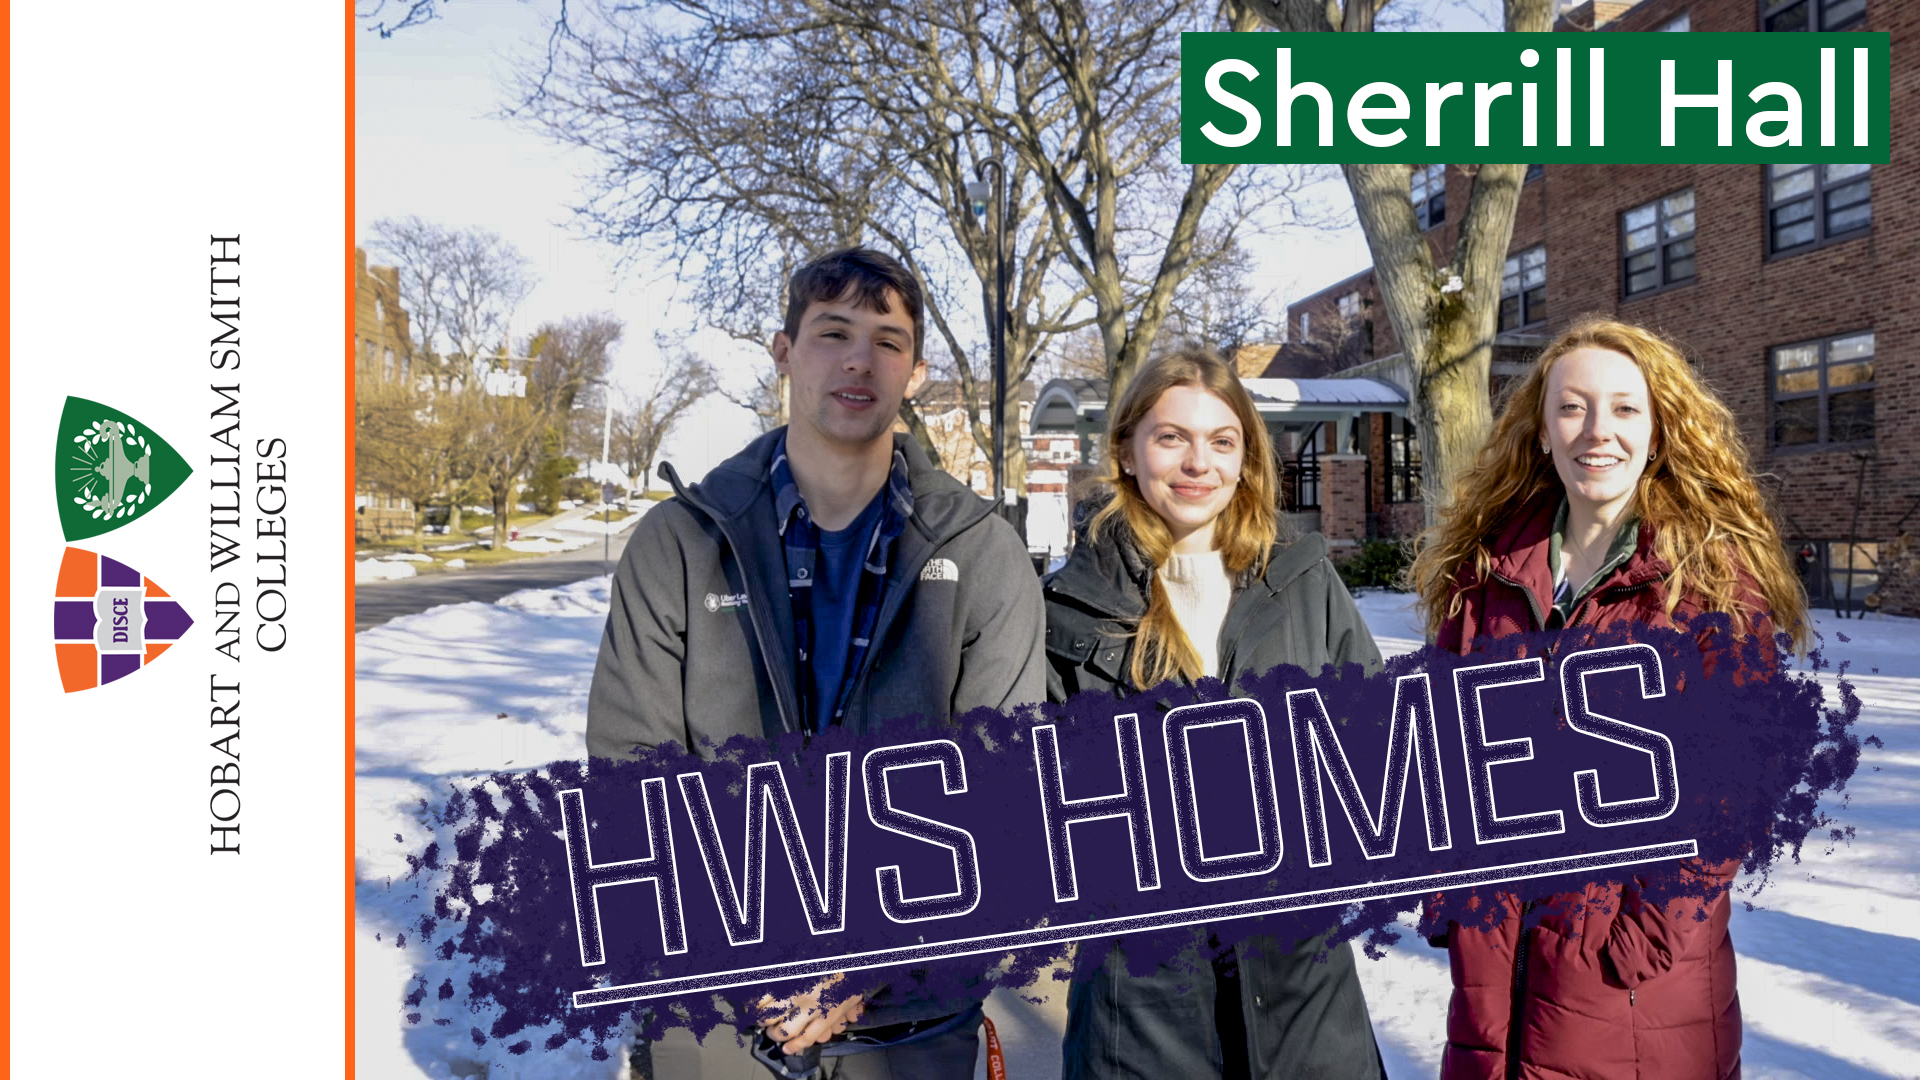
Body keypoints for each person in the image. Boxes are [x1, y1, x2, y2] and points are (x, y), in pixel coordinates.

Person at [587, 245, 1047, 1078]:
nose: (859, 360)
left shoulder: (981, 552)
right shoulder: (686, 542)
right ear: (784, 351)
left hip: (910, 1016)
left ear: (913, 368)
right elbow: (633, 776)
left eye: (888, 340)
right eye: (833, 332)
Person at [1407, 317, 1809, 1080]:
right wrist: (1453, 900)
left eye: (1625, 408)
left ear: (1658, 431)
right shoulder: (1485, 573)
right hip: (1494, 970)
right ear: (1541, 430)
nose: (1598, 431)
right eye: (1573, 407)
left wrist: (1645, 934)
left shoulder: (1708, 582)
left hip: (1636, 990)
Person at [1042, 348, 1387, 1079]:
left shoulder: (1301, 579)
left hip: (1304, 1000)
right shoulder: (1068, 610)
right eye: (1172, 438)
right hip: (1141, 1013)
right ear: (1129, 452)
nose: (1199, 462)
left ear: (1246, 460)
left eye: (1221, 441)